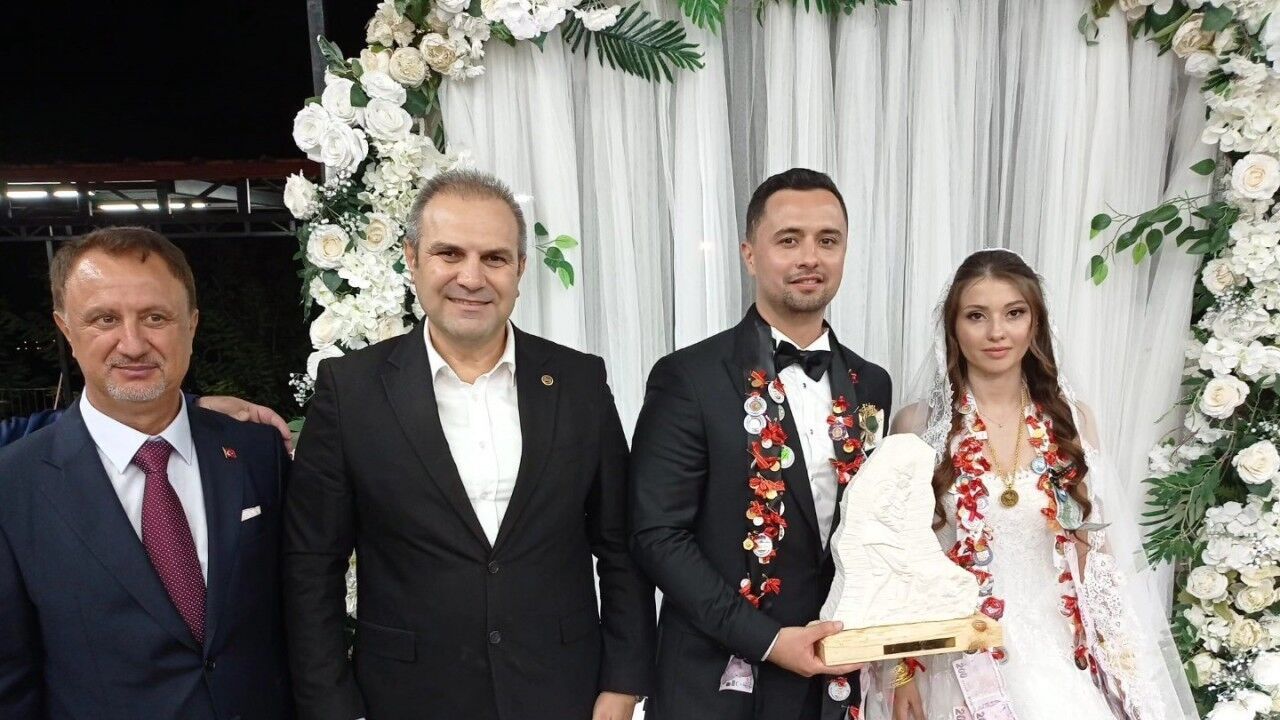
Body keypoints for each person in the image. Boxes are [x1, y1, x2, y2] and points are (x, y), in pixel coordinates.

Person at [283, 169, 654, 720]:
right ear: (412, 258)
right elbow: (313, 563)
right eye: (449, 254)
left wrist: (623, 684)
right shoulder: (352, 390)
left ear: (520, 269)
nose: (471, 277)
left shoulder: (578, 382)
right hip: (406, 699)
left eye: (495, 258)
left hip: (562, 693)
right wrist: (333, 707)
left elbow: (620, 544)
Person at [879, 248, 1198, 719]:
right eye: (976, 315)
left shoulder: (1071, 422)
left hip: (1057, 654)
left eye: (1014, 313)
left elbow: (1093, 552)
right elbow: (896, 560)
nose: (997, 332)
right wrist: (902, 673)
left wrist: (1121, 662)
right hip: (956, 662)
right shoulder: (917, 426)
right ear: (953, 327)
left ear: (1035, 323)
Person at [629, 167, 893, 719]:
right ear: (750, 255)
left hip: (835, 686)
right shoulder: (689, 377)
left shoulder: (871, 385)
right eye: (788, 240)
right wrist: (770, 640)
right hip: (716, 687)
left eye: (828, 241)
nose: (810, 258)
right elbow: (657, 536)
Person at [0, 227, 293, 719]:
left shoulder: (256, 452)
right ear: (66, 329)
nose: (133, 344)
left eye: (155, 317)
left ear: (192, 325)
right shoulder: (15, 486)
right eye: (105, 319)